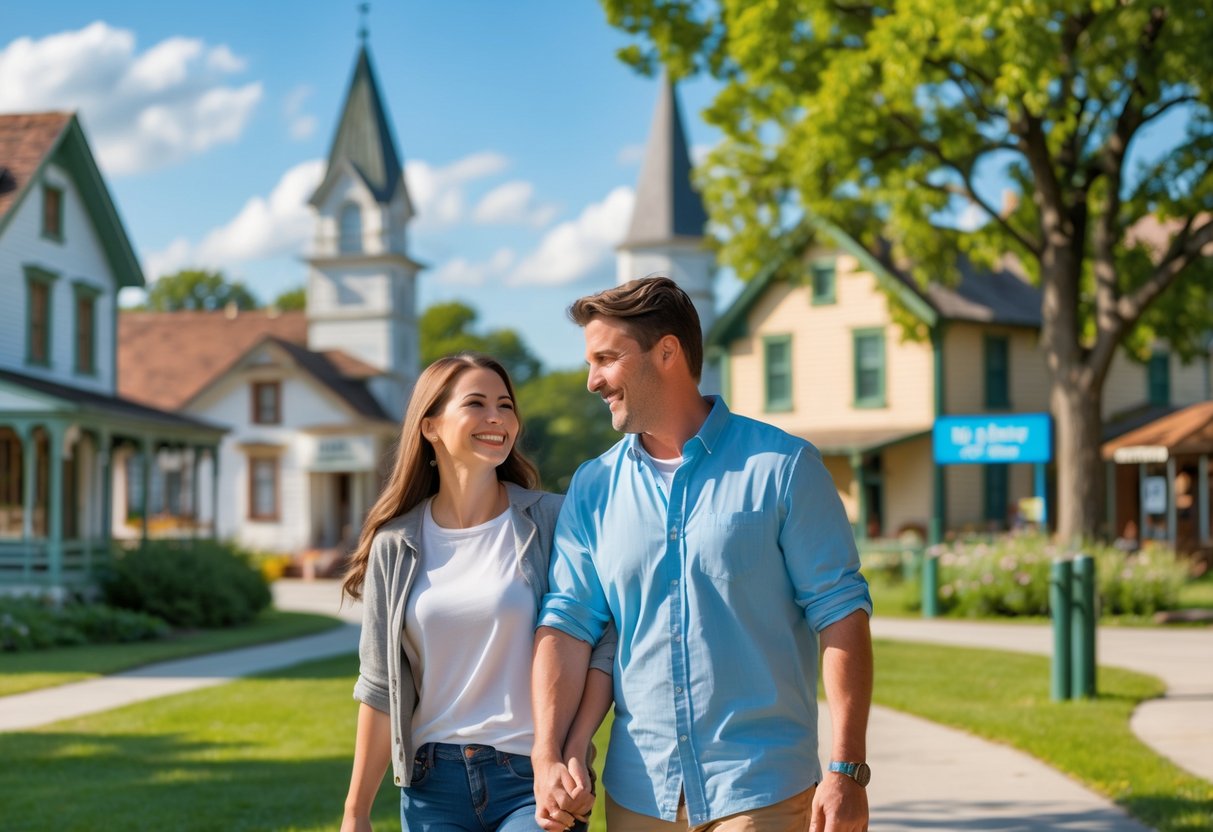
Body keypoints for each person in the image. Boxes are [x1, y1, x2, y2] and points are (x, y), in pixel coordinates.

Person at [532, 277, 874, 831]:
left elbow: (841, 616)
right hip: (639, 792)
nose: (593, 380)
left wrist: (846, 768)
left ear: (666, 352)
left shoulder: (783, 468)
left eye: (606, 359)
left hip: (762, 788)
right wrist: (547, 753)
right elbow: (569, 626)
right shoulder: (593, 487)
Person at [340, 353, 613, 832]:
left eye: (506, 405)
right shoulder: (396, 544)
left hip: (533, 778)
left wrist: (573, 750)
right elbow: (380, 686)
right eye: (477, 403)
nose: (497, 418)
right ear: (430, 426)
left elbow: (602, 640)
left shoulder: (551, 520)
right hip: (431, 787)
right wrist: (356, 812)